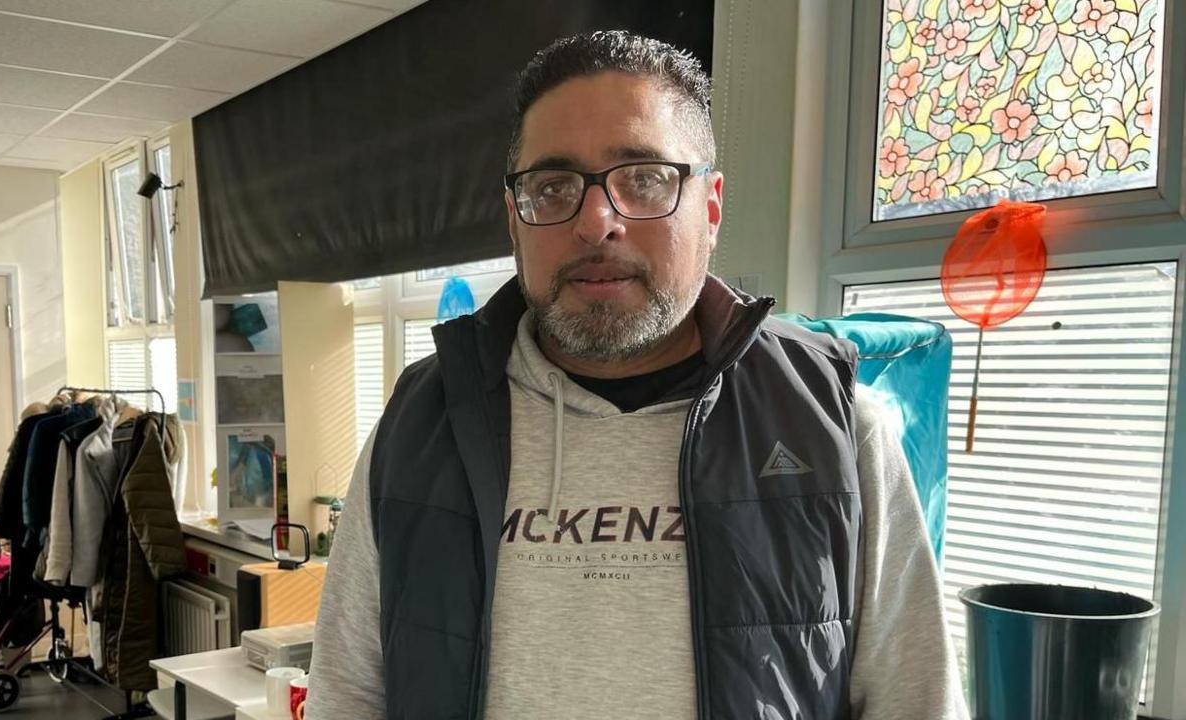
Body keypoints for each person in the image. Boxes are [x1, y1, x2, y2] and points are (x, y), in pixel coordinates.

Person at [306, 30, 967, 720]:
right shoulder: (420, 426)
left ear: (710, 208)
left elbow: (914, 702)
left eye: (645, 179)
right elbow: (348, 694)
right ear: (515, 219)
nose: (596, 222)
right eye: (553, 185)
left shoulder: (834, 428)